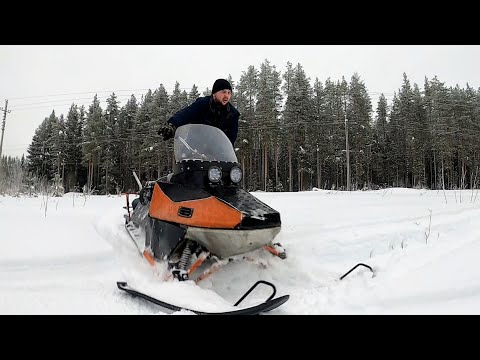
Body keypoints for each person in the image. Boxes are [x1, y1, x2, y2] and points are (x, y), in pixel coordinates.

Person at [158, 79, 240, 146]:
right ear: (214, 93)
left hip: (216, 153)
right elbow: (186, 114)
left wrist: (227, 154)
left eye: (229, 93)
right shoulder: (203, 104)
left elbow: (230, 139)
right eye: (223, 92)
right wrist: (172, 124)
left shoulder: (232, 114)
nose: (226, 96)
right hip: (193, 148)